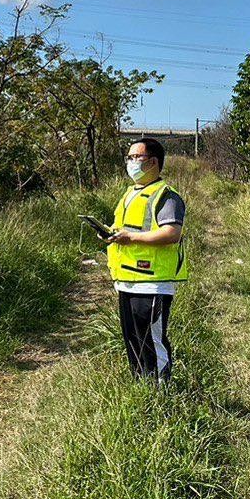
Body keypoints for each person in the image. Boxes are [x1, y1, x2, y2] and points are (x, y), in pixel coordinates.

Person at [105, 136, 187, 382]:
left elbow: (171, 233)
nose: (131, 162)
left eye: (136, 157)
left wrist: (131, 238)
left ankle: (162, 392)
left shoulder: (166, 196)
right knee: (133, 339)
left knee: (152, 339)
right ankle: (143, 388)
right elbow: (125, 227)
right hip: (127, 279)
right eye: (129, 157)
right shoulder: (130, 193)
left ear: (153, 162)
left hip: (153, 281)